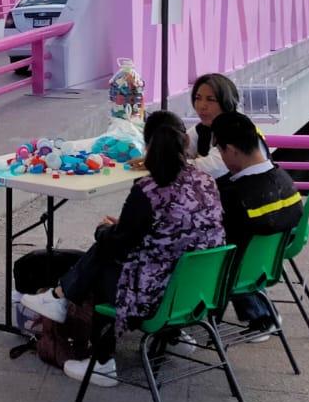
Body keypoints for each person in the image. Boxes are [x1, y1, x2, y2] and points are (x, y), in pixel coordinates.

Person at [20, 111, 225, 387]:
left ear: (148, 146)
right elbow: (176, 230)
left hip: (155, 294)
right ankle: (172, 335)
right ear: (184, 144)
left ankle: (102, 363)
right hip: (198, 288)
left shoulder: (148, 189)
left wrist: (104, 230)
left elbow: (119, 244)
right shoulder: (205, 181)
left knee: (105, 258)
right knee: (112, 247)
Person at [210, 110, 303, 338]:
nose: (221, 157)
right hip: (265, 267)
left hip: (234, 273)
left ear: (231, 150)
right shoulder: (284, 180)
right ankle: (262, 312)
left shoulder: (235, 197)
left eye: (220, 151)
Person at [190, 72, 240, 159]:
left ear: (226, 103)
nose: (202, 106)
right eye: (198, 98)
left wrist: (193, 161)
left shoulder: (238, 130)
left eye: (210, 100)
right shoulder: (200, 129)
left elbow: (213, 168)